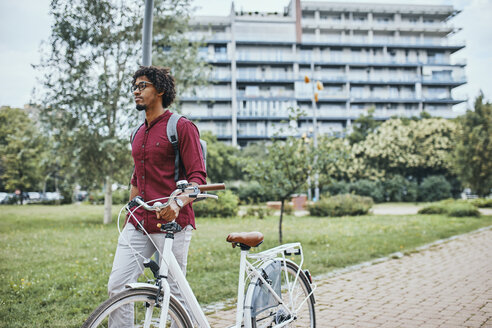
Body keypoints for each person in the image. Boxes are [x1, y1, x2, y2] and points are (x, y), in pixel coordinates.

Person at [107, 66, 206, 326]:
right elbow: (137, 178)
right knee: (117, 286)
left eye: (143, 86)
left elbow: (198, 178)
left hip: (173, 224)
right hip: (139, 222)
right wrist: (131, 210)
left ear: (160, 90)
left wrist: (177, 203)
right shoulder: (137, 133)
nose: (136, 91)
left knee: (176, 295)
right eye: (135, 86)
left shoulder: (181, 127)